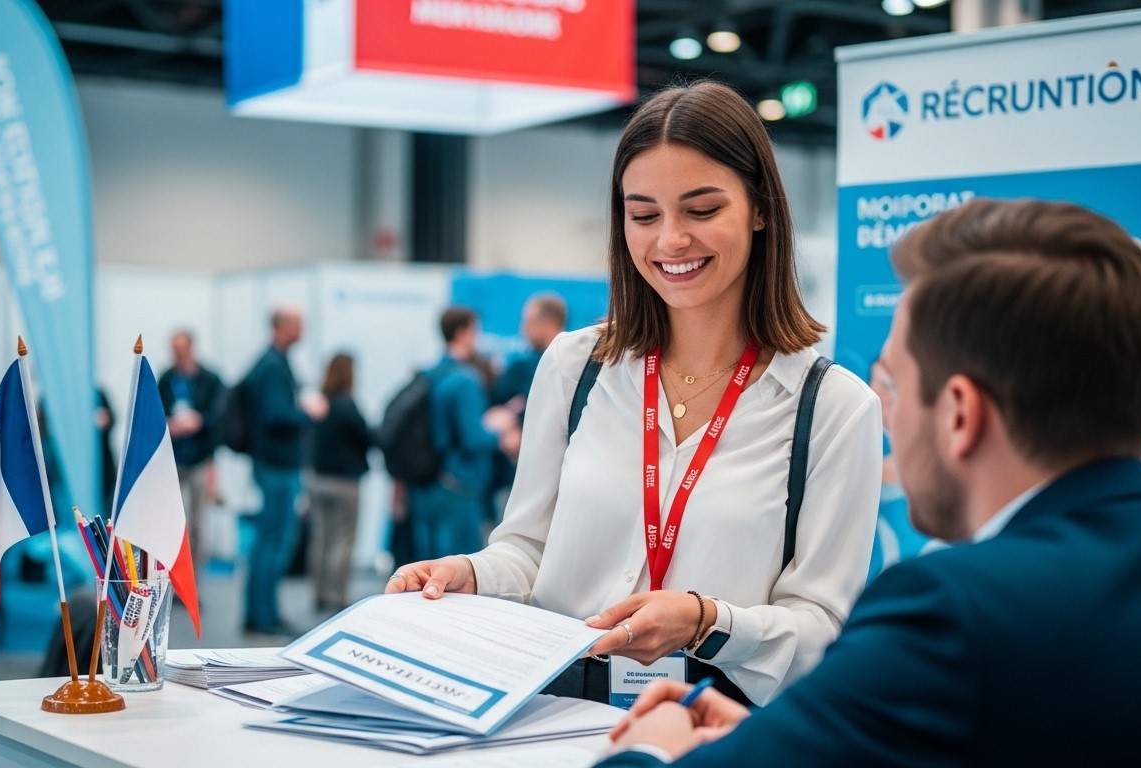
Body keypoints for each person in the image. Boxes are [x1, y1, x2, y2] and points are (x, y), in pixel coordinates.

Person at [595, 199, 1141, 766]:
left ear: (960, 415)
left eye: (890, 385)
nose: (883, 412)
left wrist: (652, 748)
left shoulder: (951, 616)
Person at [389, 81, 882, 708]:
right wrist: (472, 572)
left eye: (702, 211)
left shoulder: (834, 408)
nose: (669, 241)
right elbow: (529, 549)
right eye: (643, 215)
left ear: (760, 209)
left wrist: (707, 621)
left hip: (715, 723)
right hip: (548, 709)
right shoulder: (576, 367)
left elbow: (820, 627)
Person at [404, 307, 517, 562]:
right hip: (458, 485)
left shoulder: (429, 373)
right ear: (463, 332)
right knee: (455, 570)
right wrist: (498, 428)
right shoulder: (466, 380)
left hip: (426, 482)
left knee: (426, 565)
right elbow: (473, 439)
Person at [242, 307, 324, 636]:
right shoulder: (274, 366)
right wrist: (307, 412)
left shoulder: (272, 362)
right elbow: (277, 416)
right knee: (274, 540)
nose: (302, 330)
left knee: (272, 539)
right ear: (282, 327)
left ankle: (264, 611)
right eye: (297, 324)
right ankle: (262, 614)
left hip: (273, 464)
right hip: (276, 466)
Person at [488, 293, 568, 522]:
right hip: (521, 473)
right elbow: (495, 406)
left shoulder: (576, 363)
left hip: (562, 474)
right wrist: (510, 428)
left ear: (549, 323)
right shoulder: (520, 366)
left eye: (529, 322)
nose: (523, 328)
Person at [308, 352, 374, 611]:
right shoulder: (348, 406)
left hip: (319, 479)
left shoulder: (319, 405)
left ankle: (319, 592)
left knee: (320, 540)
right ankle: (337, 594)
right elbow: (367, 437)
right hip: (345, 483)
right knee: (342, 541)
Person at [158, 329, 226, 566]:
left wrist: (199, 421)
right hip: (172, 459)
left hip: (199, 457)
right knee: (170, 520)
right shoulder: (166, 379)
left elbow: (220, 416)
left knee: (198, 522)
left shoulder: (210, 380)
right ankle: (170, 577)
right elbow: (153, 414)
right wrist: (169, 424)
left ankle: (193, 579)